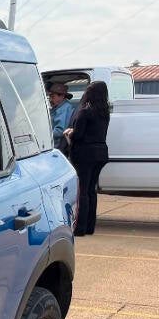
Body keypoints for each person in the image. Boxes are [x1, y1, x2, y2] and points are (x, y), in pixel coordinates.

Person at [64, 80, 110, 236]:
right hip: (101, 153)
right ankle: (90, 226)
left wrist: (70, 132)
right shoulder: (104, 112)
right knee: (91, 190)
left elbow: (78, 135)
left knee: (82, 190)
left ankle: (80, 228)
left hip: (85, 154)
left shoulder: (85, 111)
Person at [48, 82, 75, 150]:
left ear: (62, 96)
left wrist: (44, 133)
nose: (50, 100)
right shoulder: (57, 107)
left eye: (52, 97)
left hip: (58, 147)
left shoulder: (65, 108)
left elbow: (60, 131)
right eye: (50, 97)